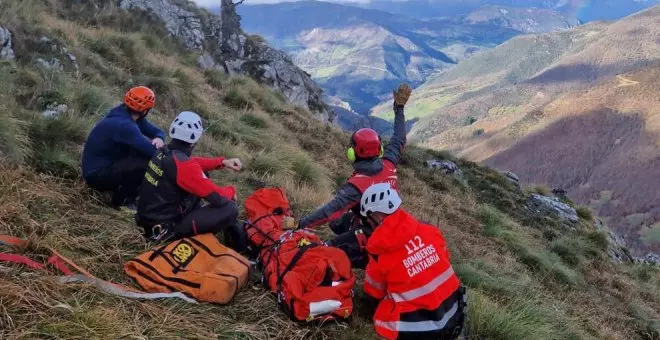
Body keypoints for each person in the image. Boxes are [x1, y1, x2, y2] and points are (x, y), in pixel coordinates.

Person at [297, 83, 412, 268]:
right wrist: (399, 109)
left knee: (329, 249)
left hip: (376, 236)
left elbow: (328, 211)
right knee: (337, 223)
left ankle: (370, 255)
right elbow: (399, 138)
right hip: (394, 225)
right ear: (380, 150)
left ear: (353, 153)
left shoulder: (356, 186)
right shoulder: (389, 164)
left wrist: (299, 224)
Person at [360, 183, 466, 340]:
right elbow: (444, 260)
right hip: (454, 314)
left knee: (381, 309)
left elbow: (374, 293)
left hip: (419, 329)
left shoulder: (378, 253)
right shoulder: (431, 231)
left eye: (367, 218)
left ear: (376, 216)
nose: (367, 223)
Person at [136, 111, 247, 252]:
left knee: (202, 174)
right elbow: (218, 198)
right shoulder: (184, 165)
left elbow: (192, 163)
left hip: (147, 220)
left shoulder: (164, 151)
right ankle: (239, 249)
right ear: (194, 140)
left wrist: (222, 162)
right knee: (230, 208)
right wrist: (231, 191)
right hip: (165, 231)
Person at [82, 86, 165, 210]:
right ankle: (123, 201)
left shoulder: (125, 114)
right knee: (144, 162)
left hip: (100, 166)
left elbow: (157, 131)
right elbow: (152, 152)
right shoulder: (124, 125)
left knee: (138, 154)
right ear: (145, 110)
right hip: (95, 175)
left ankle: (125, 192)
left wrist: (159, 137)